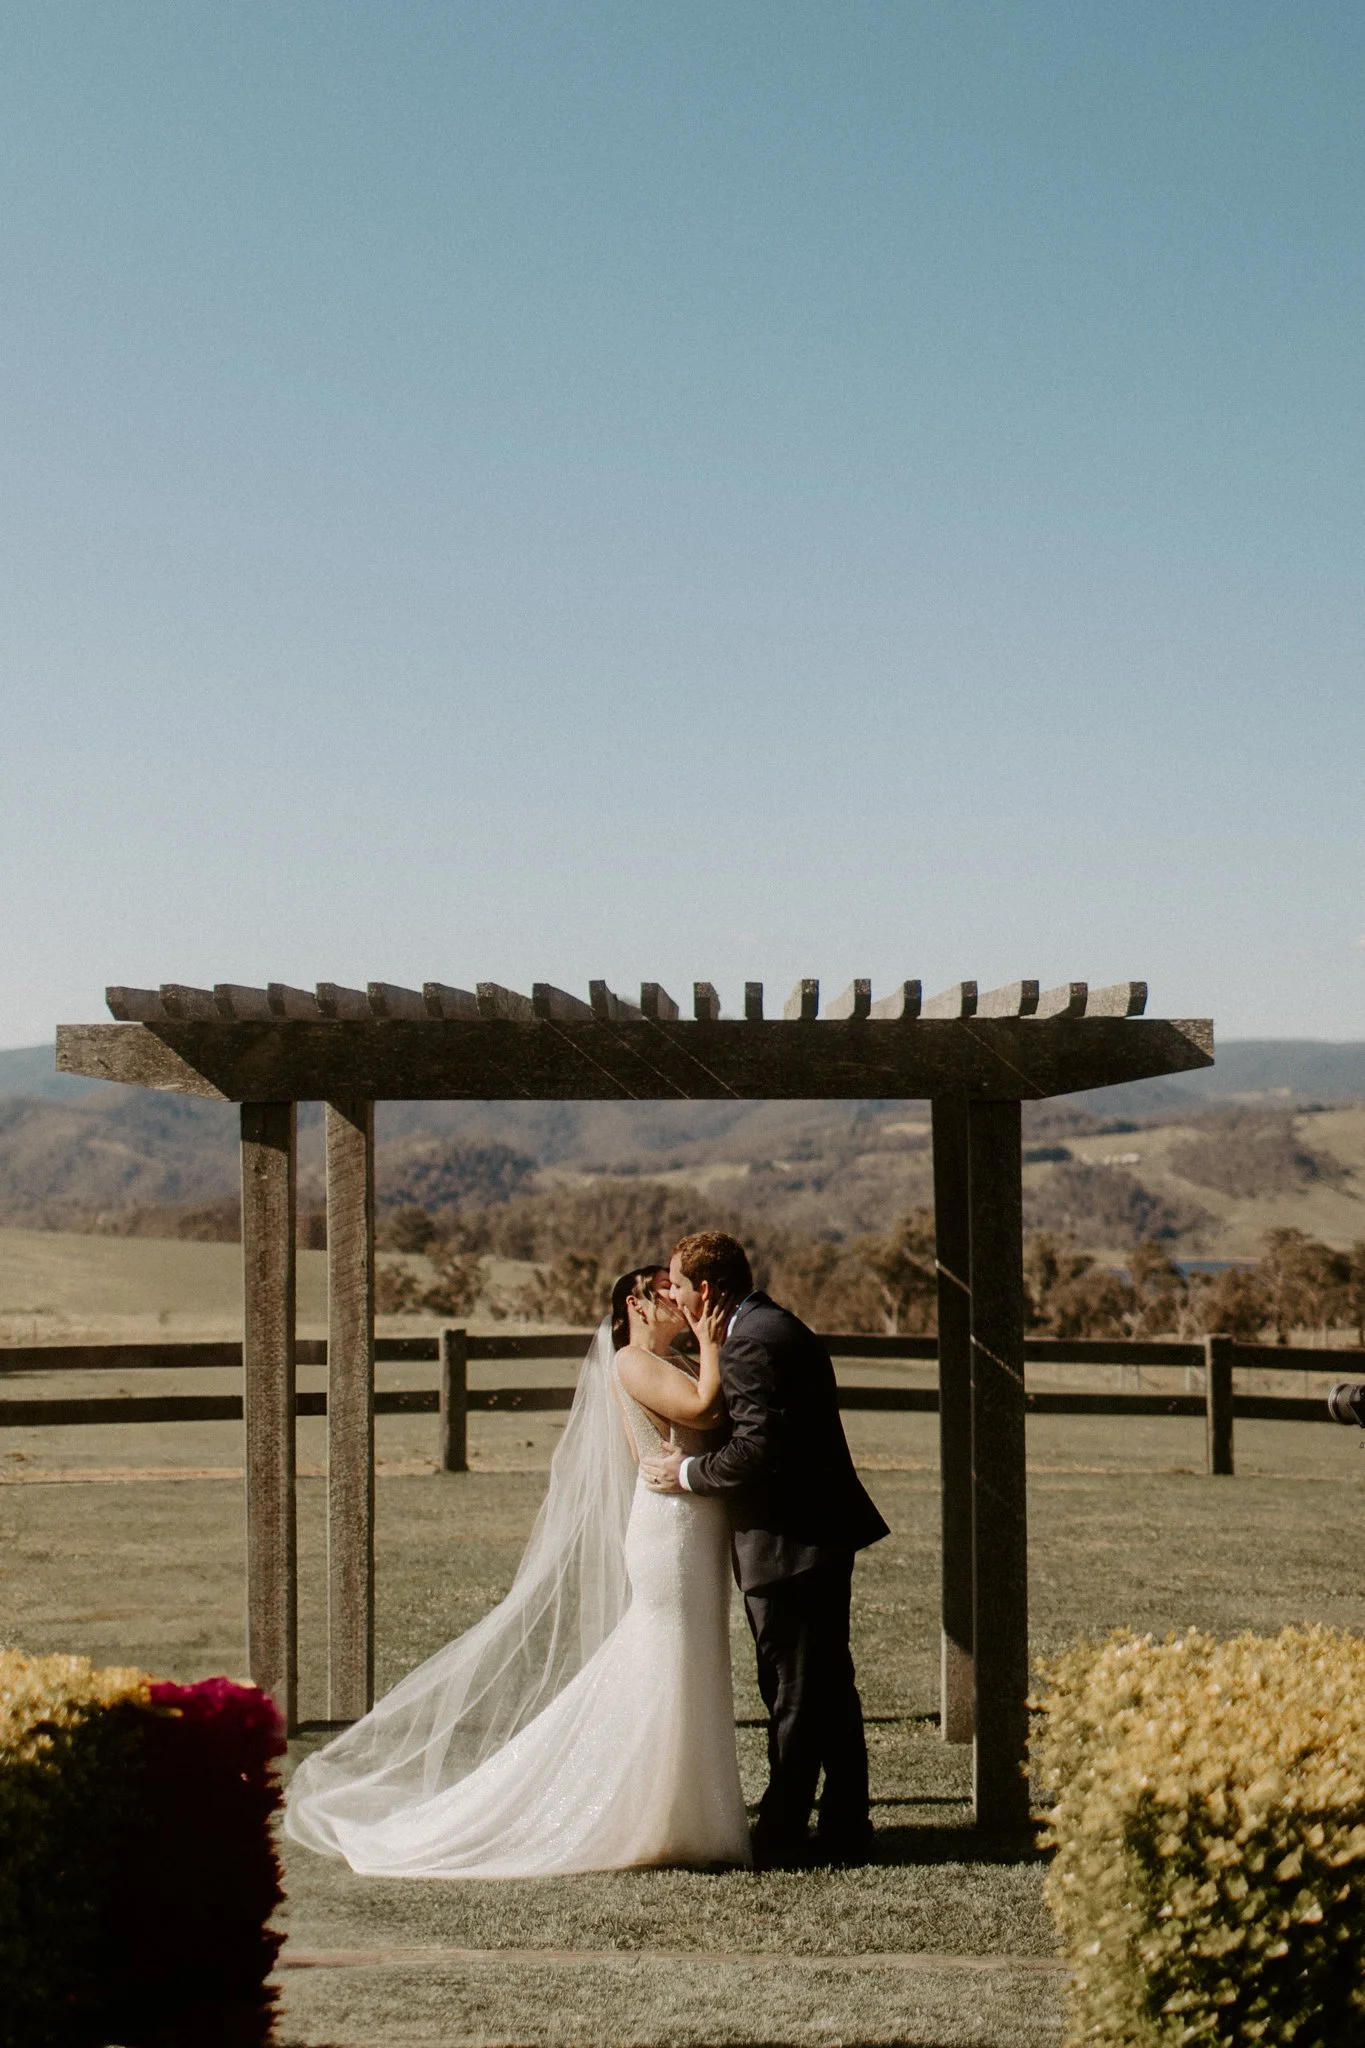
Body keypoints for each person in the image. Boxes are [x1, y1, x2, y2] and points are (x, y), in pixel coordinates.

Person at [285, 1264, 751, 1877]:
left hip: (690, 1525)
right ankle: (636, 1808)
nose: (676, 1298)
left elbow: (681, 1432)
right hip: (669, 1532)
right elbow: (705, 1408)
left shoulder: (673, 1362)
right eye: (662, 1290)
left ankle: (682, 1814)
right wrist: (715, 1345)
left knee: (691, 1660)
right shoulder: (634, 1362)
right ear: (635, 1307)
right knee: (666, 1652)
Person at [642, 1231, 890, 1869]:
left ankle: (784, 1832)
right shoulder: (772, 1326)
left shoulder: (751, 1340)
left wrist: (687, 1476)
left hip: (792, 1540)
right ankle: (843, 1825)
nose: (672, 1293)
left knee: (795, 1690)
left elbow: (757, 1451)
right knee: (828, 1687)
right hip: (814, 1535)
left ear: (709, 1289)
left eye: (678, 1284)